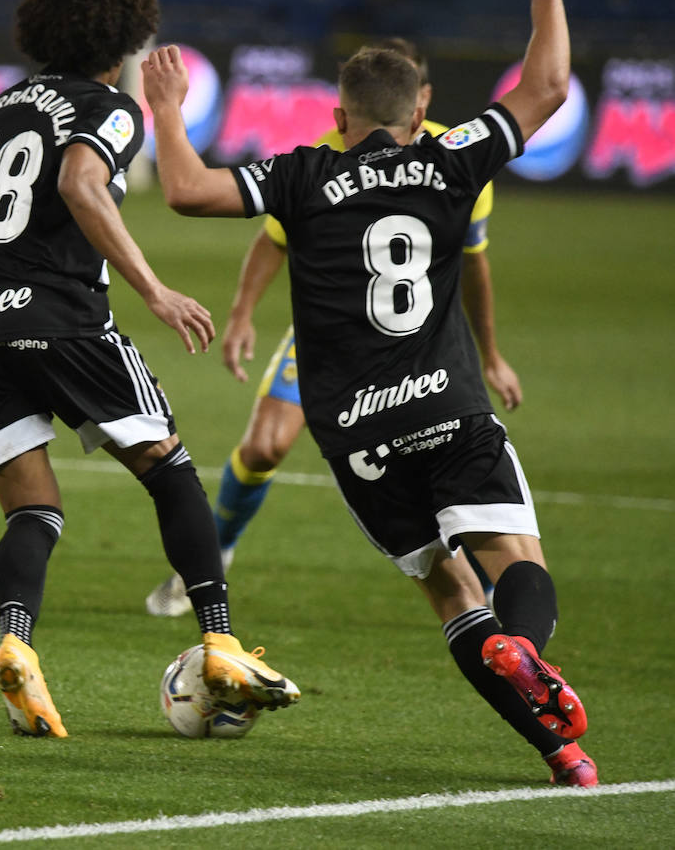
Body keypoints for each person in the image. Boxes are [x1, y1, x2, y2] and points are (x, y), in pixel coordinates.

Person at [143, 0, 594, 787]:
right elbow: (547, 88)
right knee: (514, 565)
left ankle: (562, 753)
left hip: (355, 436)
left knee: (449, 593)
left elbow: (186, 190)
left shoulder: (303, 174)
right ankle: (524, 650)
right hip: (448, 410)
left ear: (340, 116)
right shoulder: (453, 158)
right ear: (418, 114)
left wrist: (165, 106)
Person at [0, 0, 299, 738]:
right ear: (120, 40)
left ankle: (17, 642)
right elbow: (82, 183)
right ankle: (219, 640)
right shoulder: (109, 106)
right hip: (63, 320)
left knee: (34, 510)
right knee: (169, 468)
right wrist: (154, 290)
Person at [144, 38, 524, 617]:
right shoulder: (325, 155)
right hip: (335, 343)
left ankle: (489, 589)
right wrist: (243, 312)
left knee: (439, 473)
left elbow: (473, 262)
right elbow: (273, 239)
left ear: (422, 98)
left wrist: (490, 355)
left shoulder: (458, 159)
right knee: (266, 445)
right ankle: (214, 551)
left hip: (419, 348)